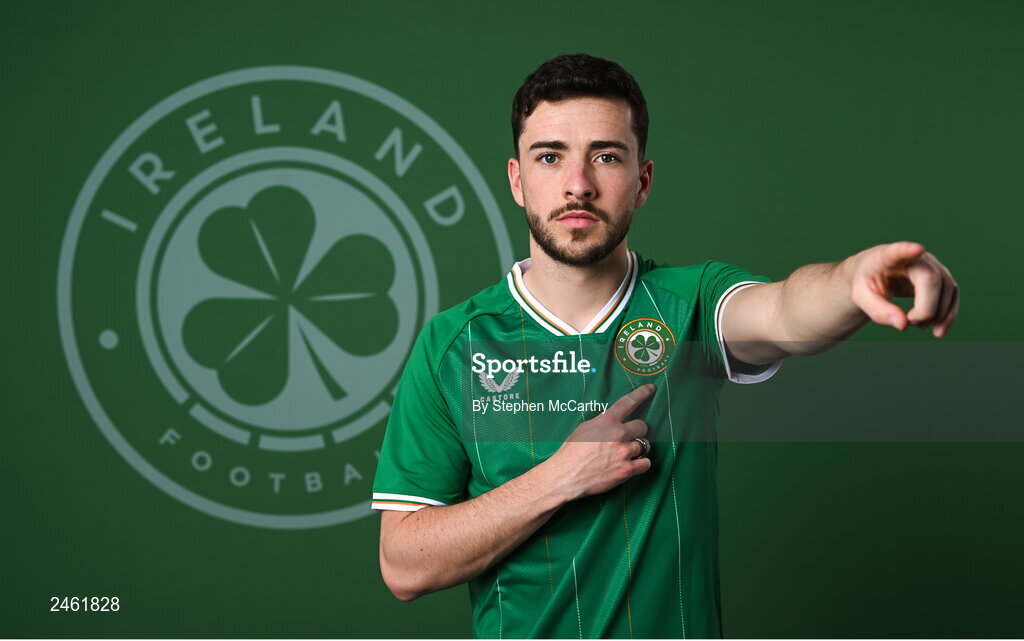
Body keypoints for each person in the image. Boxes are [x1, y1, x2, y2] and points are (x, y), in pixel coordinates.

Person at [370, 53, 959, 638]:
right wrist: (560, 478)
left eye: (606, 156)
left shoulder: (691, 304)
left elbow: (785, 311)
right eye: (550, 157)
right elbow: (404, 565)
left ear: (642, 181)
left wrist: (852, 280)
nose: (578, 184)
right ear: (517, 181)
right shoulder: (453, 343)